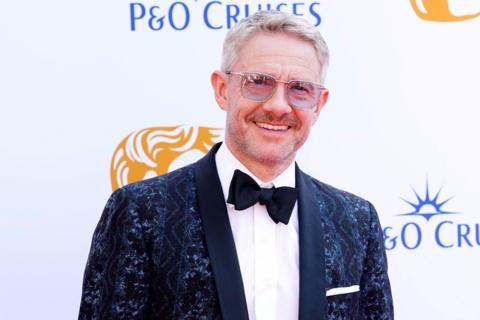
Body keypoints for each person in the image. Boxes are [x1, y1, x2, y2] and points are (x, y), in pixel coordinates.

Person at [79, 10, 393, 320]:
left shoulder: (356, 222)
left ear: (318, 105)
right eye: (258, 82)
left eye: (300, 88)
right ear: (221, 89)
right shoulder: (141, 211)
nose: (278, 106)